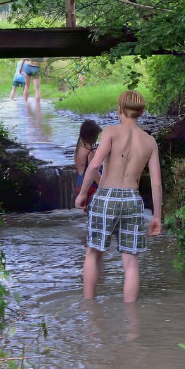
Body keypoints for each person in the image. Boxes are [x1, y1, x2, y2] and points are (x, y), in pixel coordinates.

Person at [75, 91, 163, 303]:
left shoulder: (111, 131)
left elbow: (95, 164)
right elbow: (156, 182)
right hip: (133, 200)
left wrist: (83, 193)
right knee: (131, 263)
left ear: (119, 109)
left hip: (106, 196)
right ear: (140, 113)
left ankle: (89, 310)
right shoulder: (150, 141)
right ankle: (131, 322)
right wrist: (157, 216)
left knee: (93, 253)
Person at [73, 119, 102, 212]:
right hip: (90, 187)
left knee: (85, 215)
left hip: (79, 185)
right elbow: (94, 172)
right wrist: (103, 187)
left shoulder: (79, 148)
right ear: (92, 136)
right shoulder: (90, 152)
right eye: (97, 136)